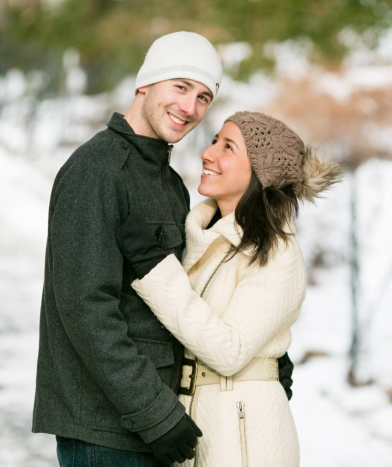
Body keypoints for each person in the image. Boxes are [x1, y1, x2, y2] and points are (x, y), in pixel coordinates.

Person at [32, 32, 295, 467]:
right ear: (145, 84)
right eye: (180, 86)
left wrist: (264, 356)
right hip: (107, 429)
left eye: (204, 96)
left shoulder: (171, 184)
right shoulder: (96, 171)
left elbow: (191, 292)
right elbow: (85, 308)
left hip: (159, 425)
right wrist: (154, 413)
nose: (190, 108)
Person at [116, 111, 343, 466]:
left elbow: (229, 350)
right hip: (199, 423)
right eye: (213, 142)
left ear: (260, 173)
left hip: (243, 434)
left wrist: (154, 269)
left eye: (228, 147)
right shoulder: (202, 238)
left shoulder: (278, 252)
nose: (208, 153)